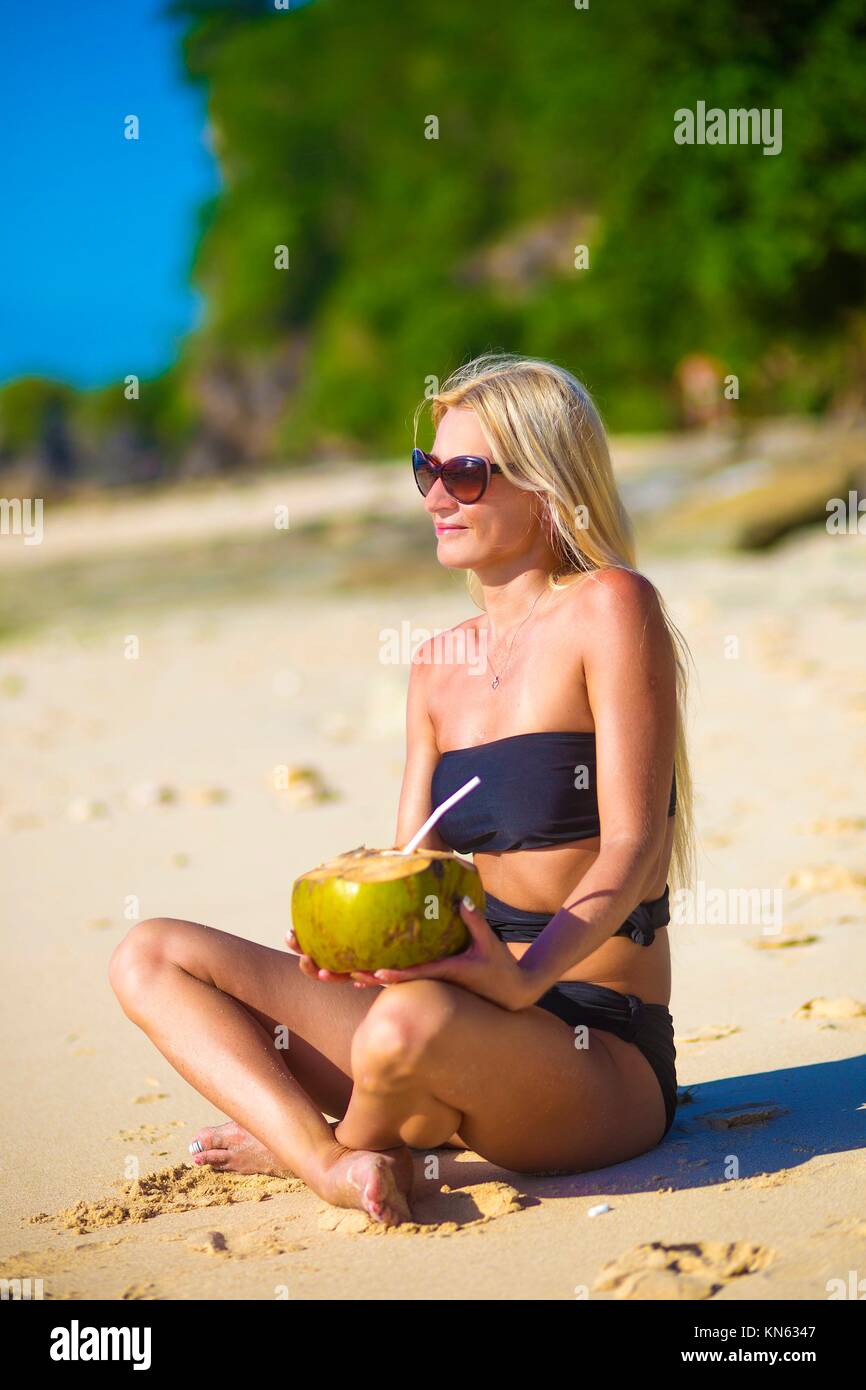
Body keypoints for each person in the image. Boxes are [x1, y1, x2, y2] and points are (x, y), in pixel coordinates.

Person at [109, 353, 695, 1228]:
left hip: (593, 1049)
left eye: (465, 473)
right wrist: (346, 949)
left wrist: (522, 980)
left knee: (398, 1031)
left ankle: (332, 1141)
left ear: (546, 486)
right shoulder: (436, 665)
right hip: (445, 1007)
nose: (435, 496)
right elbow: (408, 868)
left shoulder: (611, 607)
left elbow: (634, 845)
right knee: (150, 954)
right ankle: (331, 1160)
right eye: (428, 470)